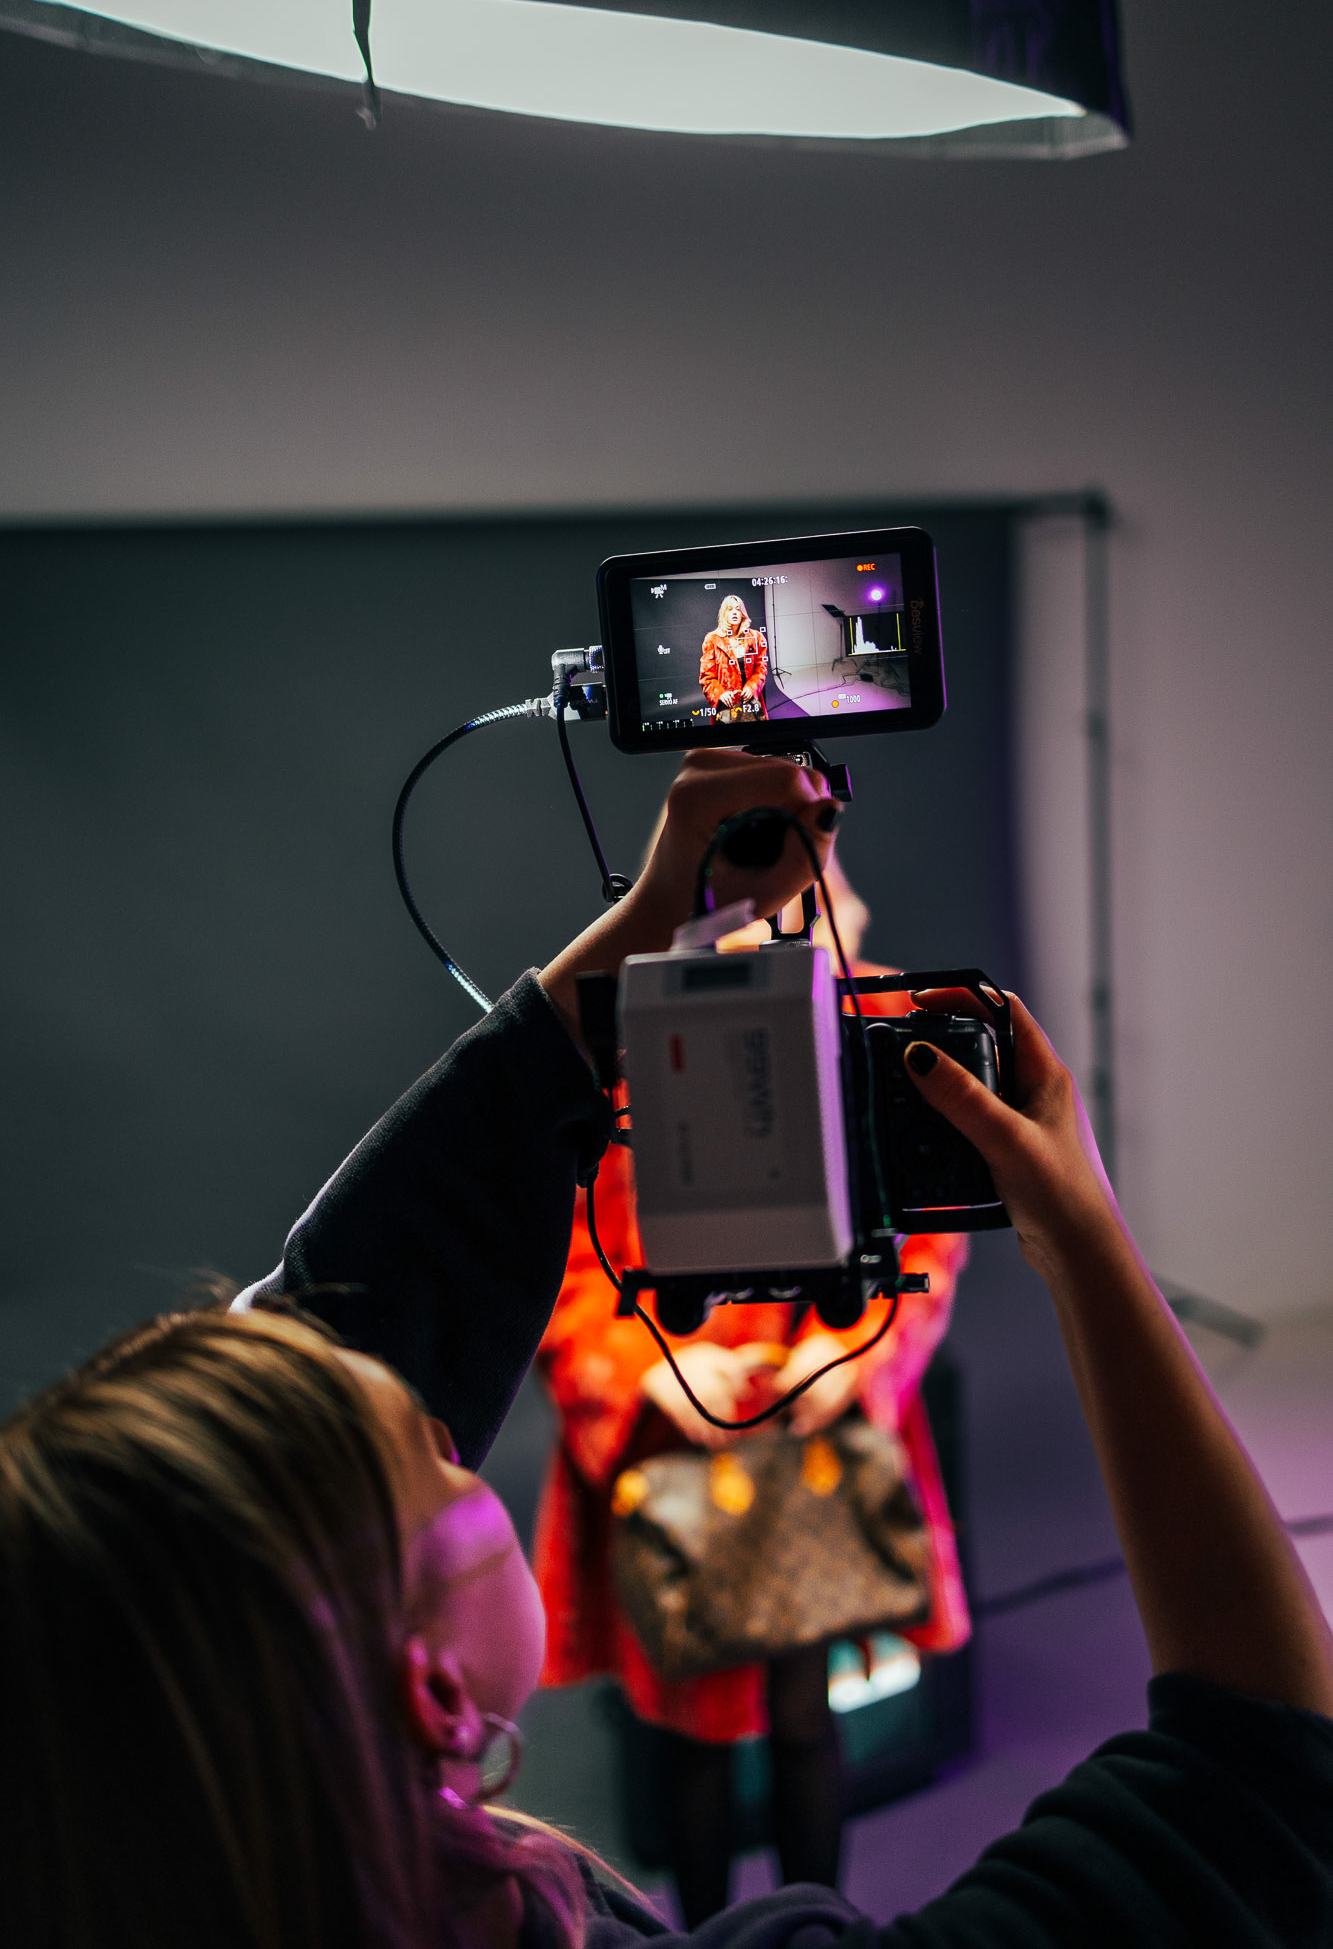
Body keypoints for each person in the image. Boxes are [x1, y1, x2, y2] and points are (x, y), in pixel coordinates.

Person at [3, 751, 1332, 1949]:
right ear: (433, 1689)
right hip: (666, 1466)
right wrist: (1086, 1238)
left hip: (811, 1448)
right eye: (435, 1457)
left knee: (804, 1711)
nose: (443, 1413)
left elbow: (324, 1318)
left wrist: (824, 1366)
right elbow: (1264, 1773)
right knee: (690, 1725)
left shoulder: (157, 1824)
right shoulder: (648, 1089)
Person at [533, 852, 969, 1923]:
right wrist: (656, 1366)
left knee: (805, 1707)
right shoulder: (628, 1038)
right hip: (676, 1442)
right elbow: (565, 1258)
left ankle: (813, 1928)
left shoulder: (878, 1018)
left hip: (805, 1426)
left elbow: (925, 1229)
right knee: (684, 1722)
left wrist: (847, 1352)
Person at [699, 594, 768, 721]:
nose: (735, 612)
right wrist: (720, 694)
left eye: (738, 609)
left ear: (742, 614)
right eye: (730, 609)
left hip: (750, 704)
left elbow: (761, 669)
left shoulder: (756, 638)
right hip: (727, 708)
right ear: (724, 614)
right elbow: (707, 677)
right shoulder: (712, 640)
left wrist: (751, 687)